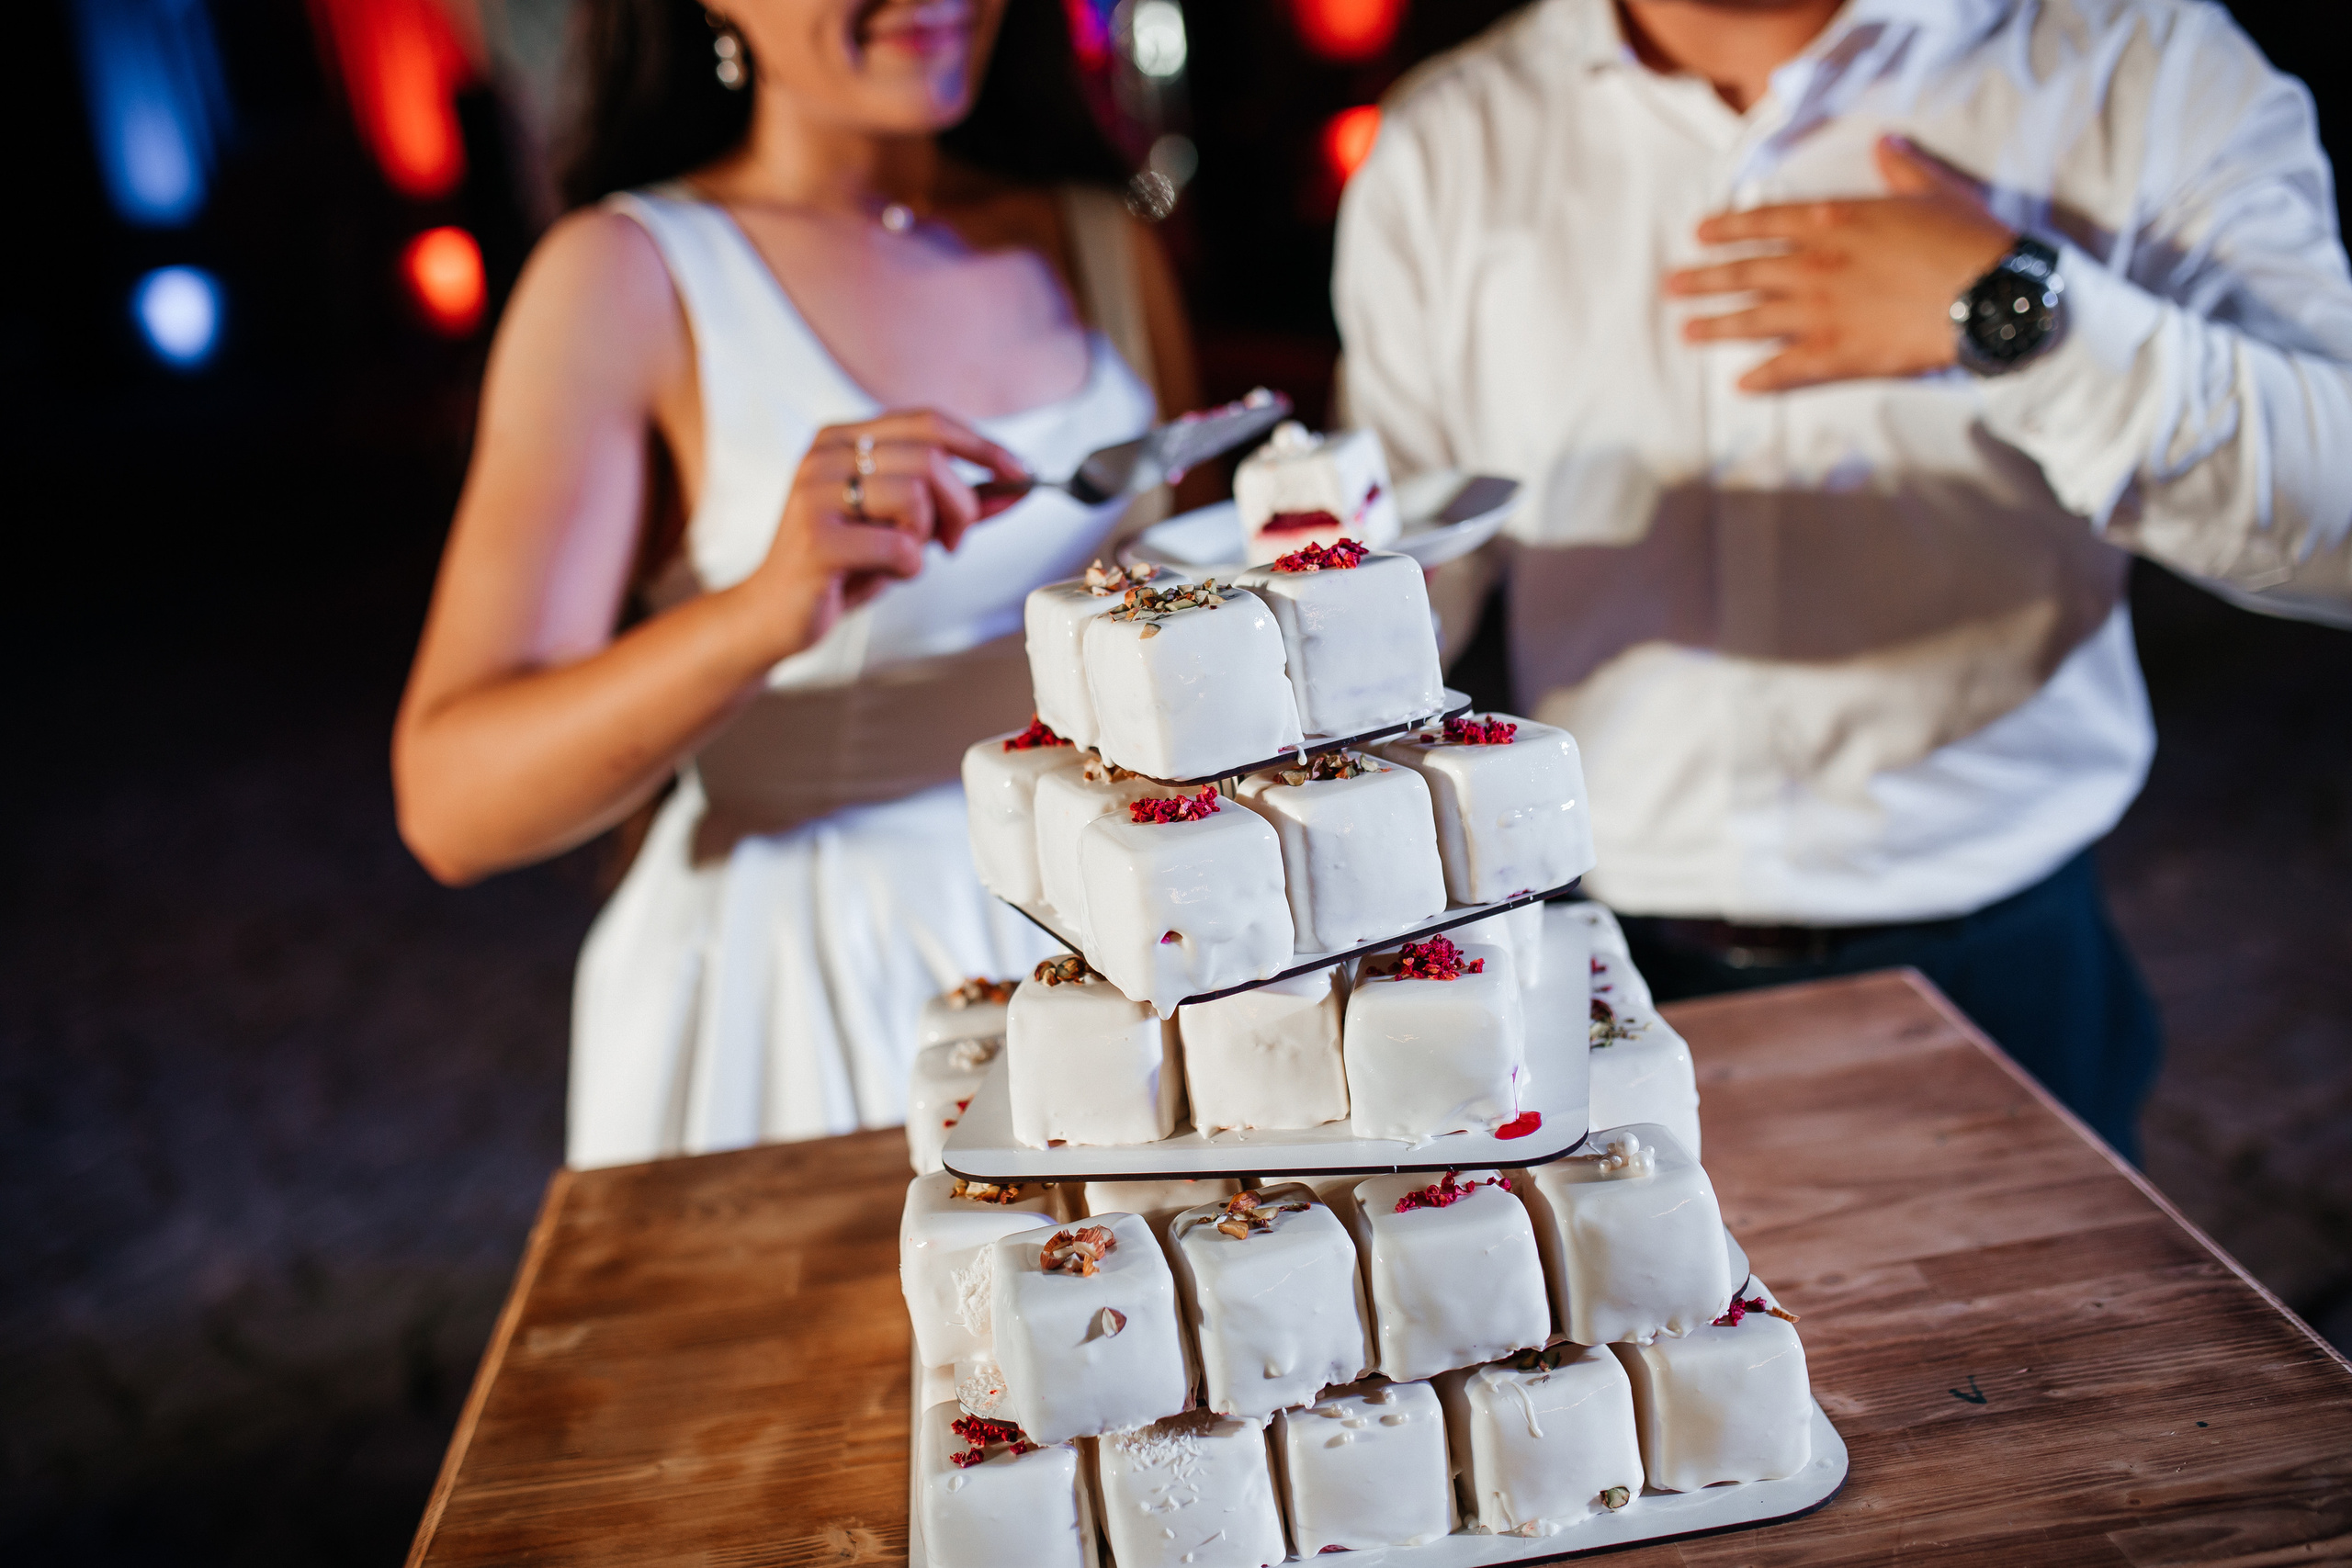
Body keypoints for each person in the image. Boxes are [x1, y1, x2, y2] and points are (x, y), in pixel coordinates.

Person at [1335, 0, 2352, 1160]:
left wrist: (2018, 313)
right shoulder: (1447, 135)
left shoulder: (2134, 63)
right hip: (1586, 961)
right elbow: (1391, 587)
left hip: (1994, 964)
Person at [393, 0, 1201, 1168]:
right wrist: (764, 612)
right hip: (810, 986)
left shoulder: (1099, 240)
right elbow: (451, 803)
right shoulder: (626, 277)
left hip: (1108, 937)